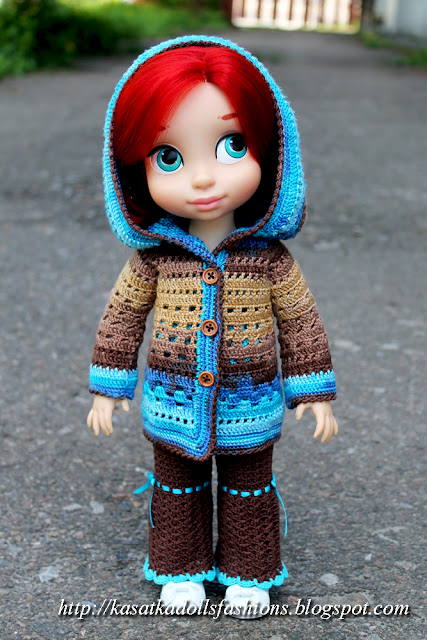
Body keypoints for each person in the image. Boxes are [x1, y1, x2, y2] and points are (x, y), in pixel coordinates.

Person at [87, 36, 338, 618]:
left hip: (250, 402)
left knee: (250, 486)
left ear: (272, 153)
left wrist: (312, 390)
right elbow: (122, 317)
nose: (203, 179)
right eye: (168, 157)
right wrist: (109, 385)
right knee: (177, 487)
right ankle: (181, 569)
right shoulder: (154, 261)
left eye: (233, 146)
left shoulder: (269, 260)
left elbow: (300, 321)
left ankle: (249, 570)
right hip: (173, 403)